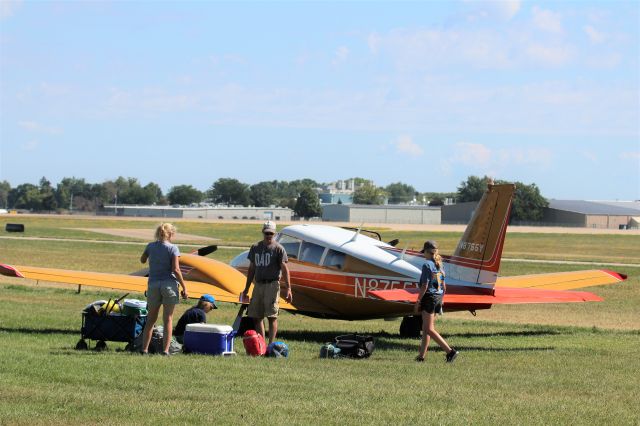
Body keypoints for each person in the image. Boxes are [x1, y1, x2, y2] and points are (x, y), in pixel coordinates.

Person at [139, 223, 188, 355]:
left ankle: (144, 349)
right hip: (169, 285)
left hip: (153, 285)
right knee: (168, 319)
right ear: (171, 234)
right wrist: (184, 287)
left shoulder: (150, 246)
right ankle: (166, 350)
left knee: (151, 319)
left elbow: (142, 260)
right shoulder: (173, 248)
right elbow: (176, 269)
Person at [240, 221, 292, 345]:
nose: (269, 235)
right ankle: (261, 344)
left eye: (271, 233)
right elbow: (252, 268)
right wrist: (246, 289)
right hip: (258, 285)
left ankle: (271, 345)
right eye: (267, 233)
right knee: (256, 316)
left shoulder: (279, 249)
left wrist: (289, 288)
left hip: (272, 285)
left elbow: (285, 269)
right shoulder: (255, 248)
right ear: (263, 232)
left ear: (274, 234)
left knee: (272, 316)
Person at [415, 240, 459, 363]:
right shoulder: (440, 264)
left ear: (427, 252)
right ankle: (421, 356)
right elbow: (444, 287)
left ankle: (450, 352)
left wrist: (418, 301)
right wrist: (441, 300)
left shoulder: (427, 265)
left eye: (424, 252)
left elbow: (424, 285)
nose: (423, 255)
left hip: (429, 298)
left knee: (429, 329)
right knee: (426, 328)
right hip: (438, 297)